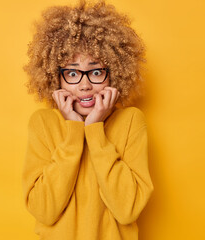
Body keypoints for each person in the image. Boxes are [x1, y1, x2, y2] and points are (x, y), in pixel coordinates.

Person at [22, 0, 154, 239]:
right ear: (56, 77)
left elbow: (127, 210)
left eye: (95, 72)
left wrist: (94, 128)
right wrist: (74, 131)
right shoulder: (43, 123)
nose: (84, 85)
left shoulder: (131, 121)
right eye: (72, 73)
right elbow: (44, 210)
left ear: (114, 72)